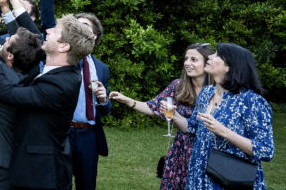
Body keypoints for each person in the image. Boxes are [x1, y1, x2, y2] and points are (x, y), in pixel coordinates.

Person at [0, 15, 95, 190]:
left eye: (55, 30)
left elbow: (7, 93)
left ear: (64, 46)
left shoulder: (62, 84)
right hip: (33, 169)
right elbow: (31, 39)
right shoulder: (56, 67)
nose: (48, 30)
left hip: (42, 174)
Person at [168, 43, 275, 190]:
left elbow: (266, 150)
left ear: (229, 66)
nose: (210, 56)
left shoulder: (251, 101)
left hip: (231, 180)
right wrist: (175, 116)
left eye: (217, 54)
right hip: (198, 178)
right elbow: (193, 128)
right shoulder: (206, 93)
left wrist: (224, 131)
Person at [109, 43, 214, 190]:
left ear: (207, 63)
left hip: (206, 152)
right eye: (186, 59)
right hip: (181, 151)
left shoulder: (217, 91)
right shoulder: (178, 86)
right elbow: (152, 107)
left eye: (194, 60)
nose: (187, 63)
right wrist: (128, 101)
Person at [0, 27, 45, 190]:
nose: (4, 40)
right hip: (14, 157)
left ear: (10, 56)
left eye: (8, 40)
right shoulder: (26, 77)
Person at [66, 13, 111, 190]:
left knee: (87, 185)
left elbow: (106, 109)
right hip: (63, 132)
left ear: (94, 35)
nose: (78, 27)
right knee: (61, 183)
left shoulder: (101, 68)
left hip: (89, 135)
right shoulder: (63, 61)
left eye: (84, 25)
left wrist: (103, 99)